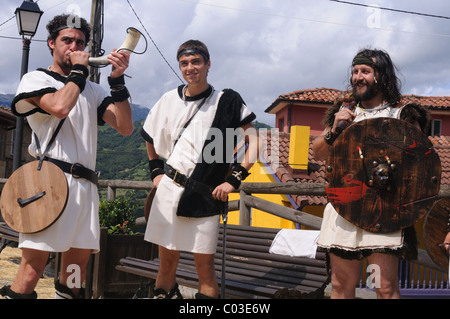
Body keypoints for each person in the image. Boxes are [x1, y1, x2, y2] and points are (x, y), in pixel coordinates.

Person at [0, 14, 133, 299]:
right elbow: (60, 106)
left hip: (85, 186)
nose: (74, 46)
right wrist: (79, 72)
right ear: (51, 43)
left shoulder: (93, 90)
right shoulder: (36, 78)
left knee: (76, 272)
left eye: (81, 42)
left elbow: (125, 127)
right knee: (32, 268)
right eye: (67, 40)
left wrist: (117, 81)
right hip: (48, 183)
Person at [140, 40, 258, 299]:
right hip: (169, 191)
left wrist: (233, 181)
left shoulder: (226, 101)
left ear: (208, 64)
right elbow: (149, 135)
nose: (190, 68)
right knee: (166, 264)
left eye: (196, 62)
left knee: (204, 269)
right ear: (180, 66)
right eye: (184, 63)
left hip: (205, 196)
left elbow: (255, 141)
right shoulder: (169, 99)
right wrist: (155, 172)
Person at [312, 48, 430, 299]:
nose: (358, 77)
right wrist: (335, 128)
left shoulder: (402, 114)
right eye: (355, 72)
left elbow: (422, 162)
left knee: (384, 287)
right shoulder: (343, 113)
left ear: (382, 76)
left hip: (385, 212)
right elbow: (318, 153)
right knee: (341, 285)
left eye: (365, 71)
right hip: (344, 209)